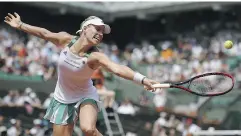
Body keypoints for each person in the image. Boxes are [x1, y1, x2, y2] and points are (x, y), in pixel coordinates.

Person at [4, 12, 159, 136]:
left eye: (102, 32)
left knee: (88, 129)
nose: (100, 34)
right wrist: (20, 25)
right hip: (62, 97)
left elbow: (117, 68)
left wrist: (142, 79)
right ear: (85, 28)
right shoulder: (66, 40)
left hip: (85, 95)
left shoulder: (95, 56)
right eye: (97, 29)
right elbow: (44, 33)